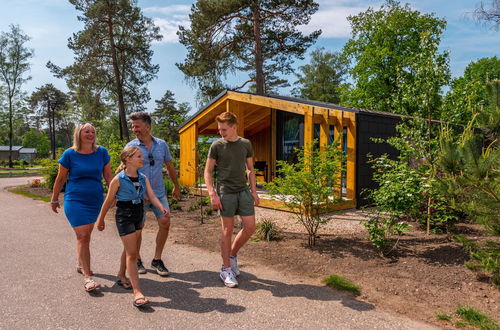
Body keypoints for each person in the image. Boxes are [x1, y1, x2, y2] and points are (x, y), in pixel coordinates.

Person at [96, 146, 168, 307]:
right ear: (128, 159)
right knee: (132, 254)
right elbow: (108, 201)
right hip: (124, 215)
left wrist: (160, 207)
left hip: (138, 213)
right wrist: (100, 220)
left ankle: (122, 275)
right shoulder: (118, 179)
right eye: (138, 156)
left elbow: (151, 195)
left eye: (141, 156)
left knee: (130, 249)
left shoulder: (143, 178)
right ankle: (137, 292)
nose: (142, 159)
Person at [51, 123, 113, 292]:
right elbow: (61, 178)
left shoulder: (102, 152)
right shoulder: (69, 154)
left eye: (93, 131)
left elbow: (108, 175)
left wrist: (112, 194)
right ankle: (88, 278)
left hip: (95, 199)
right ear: (79, 134)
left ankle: (80, 263)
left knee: (86, 236)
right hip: (75, 198)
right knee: (83, 236)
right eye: (87, 131)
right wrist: (54, 198)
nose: (90, 134)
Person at [204, 112, 260, 288]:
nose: (221, 132)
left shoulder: (245, 144)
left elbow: (250, 169)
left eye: (224, 129)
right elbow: (207, 171)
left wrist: (254, 191)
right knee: (227, 230)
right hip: (225, 192)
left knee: (250, 227)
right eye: (219, 129)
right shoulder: (216, 146)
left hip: (243, 191)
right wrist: (212, 193)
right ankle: (226, 269)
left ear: (234, 127)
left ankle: (232, 255)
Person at [126, 112, 180, 276]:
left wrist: (176, 187)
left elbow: (170, 166)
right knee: (138, 228)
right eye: (133, 126)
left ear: (147, 127)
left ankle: (157, 259)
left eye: (137, 126)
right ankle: (137, 259)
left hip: (158, 194)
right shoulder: (131, 146)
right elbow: (127, 170)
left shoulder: (161, 144)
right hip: (138, 195)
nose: (134, 129)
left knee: (165, 222)